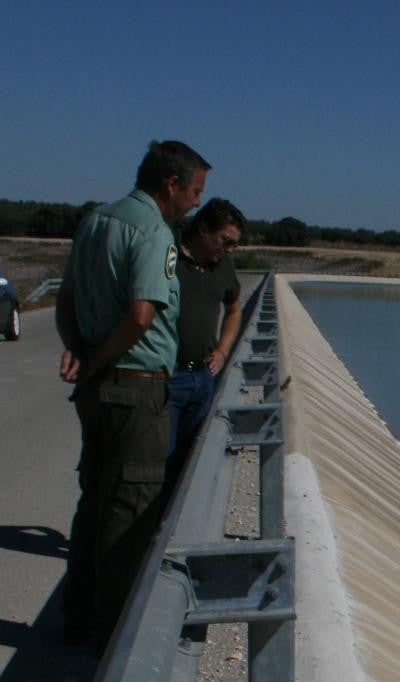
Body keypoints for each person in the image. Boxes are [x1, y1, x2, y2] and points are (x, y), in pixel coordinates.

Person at [56, 140, 209, 650]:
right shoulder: (152, 231)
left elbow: (66, 300)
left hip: (98, 392)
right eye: (194, 192)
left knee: (94, 504)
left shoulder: (96, 221)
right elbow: (143, 316)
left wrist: (79, 350)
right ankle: (112, 642)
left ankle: (76, 621)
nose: (194, 203)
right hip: (137, 389)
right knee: (131, 517)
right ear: (171, 184)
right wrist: (99, 359)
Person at [166, 198, 245, 492]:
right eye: (225, 241)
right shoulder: (169, 259)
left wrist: (223, 350)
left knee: (186, 464)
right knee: (159, 462)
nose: (228, 250)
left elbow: (234, 308)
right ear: (202, 228)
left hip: (201, 378)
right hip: (167, 378)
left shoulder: (223, 267)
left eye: (234, 244)